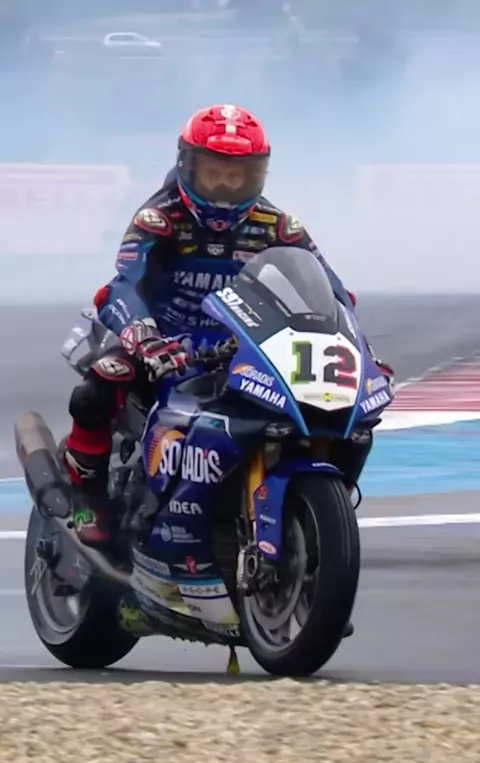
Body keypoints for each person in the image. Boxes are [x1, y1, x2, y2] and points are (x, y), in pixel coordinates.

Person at [63, 102, 393, 548]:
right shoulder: (158, 219)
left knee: (328, 410)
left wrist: (360, 352)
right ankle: (86, 497)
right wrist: (145, 337)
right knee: (101, 384)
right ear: (188, 166)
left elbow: (333, 294)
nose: (226, 186)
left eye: (238, 176)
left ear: (259, 174)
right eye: (215, 173)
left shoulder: (279, 226)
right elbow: (124, 284)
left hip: (244, 341)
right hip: (166, 338)